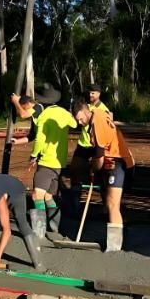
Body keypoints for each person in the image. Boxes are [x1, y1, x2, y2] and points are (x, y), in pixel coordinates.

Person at [73, 96, 135, 251]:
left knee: (113, 204)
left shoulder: (97, 122)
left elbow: (99, 157)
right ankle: (119, 234)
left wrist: (93, 168)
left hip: (118, 160)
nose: (79, 123)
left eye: (80, 119)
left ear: (85, 112)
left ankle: (114, 247)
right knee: (109, 203)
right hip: (111, 160)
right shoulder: (96, 114)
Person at [27, 94, 76, 234]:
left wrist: (33, 155)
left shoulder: (44, 116)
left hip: (46, 161)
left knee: (37, 195)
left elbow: (40, 139)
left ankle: (39, 229)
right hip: (59, 163)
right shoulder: (64, 113)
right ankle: (55, 225)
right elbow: (74, 124)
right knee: (48, 196)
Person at [70, 82, 113, 195]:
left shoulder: (104, 109)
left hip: (96, 144)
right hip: (84, 144)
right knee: (74, 168)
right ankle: (75, 193)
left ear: (99, 94)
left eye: (93, 93)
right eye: (89, 93)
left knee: (101, 172)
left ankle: (105, 197)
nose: (90, 95)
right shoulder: (86, 107)